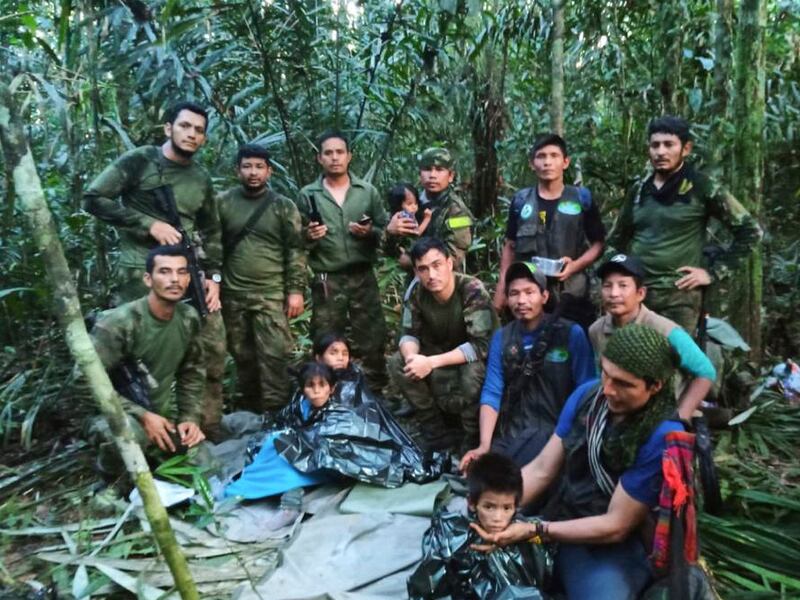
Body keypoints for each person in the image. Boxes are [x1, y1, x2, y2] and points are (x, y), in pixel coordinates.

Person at [472, 324, 686, 600]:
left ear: (655, 386)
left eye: (623, 383)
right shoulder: (587, 396)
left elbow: (616, 525)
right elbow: (541, 470)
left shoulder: (661, 436)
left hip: (611, 542)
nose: (607, 390)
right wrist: (493, 510)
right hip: (564, 514)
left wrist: (534, 531)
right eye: (606, 374)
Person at [83, 101, 227, 441]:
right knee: (136, 355)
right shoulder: (140, 161)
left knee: (210, 347)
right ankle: (135, 431)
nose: (191, 134)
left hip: (189, 273)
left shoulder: (200, 179)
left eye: (199, 131)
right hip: (140, 274)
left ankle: (201, 428)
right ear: (168, 128)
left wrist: (214, 278)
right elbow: (93, 198)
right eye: (185, 126)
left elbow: (213, 231)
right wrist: (149, 224)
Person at [607, 115, 762, 333]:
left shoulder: (702, 186)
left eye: (669, 145)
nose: (661, 152)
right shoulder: (639, 190)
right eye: (655, 145)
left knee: (675, 362)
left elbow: (751, 231)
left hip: (679, 298)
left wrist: (713, 273)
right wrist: (615, 282)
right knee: (630, 361)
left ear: (686, 148)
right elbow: (615, 241)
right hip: (638, 296)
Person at [461, 261, 596, 471]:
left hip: (557, 435)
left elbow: (586, 390)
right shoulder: (502, 338)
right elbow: (492, 392)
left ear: (544, 296)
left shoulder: (571, 333)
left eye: (529, 292)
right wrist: (484, 445)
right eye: (514, 293)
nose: (521, 300)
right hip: (514, 433)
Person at [89, 246, 207, 472]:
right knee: (130, 436)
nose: (175, 279)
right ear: (148, 279)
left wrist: (189, 418)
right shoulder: (119, 324)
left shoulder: (188, 318)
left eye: (182, 272)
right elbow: (85, 383)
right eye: (164, 272)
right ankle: (110, 478)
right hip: (114, 413)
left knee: (205, 466)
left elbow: (192, 371)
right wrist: (142, 416)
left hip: (159, 413)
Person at [296, 130, 389, 392]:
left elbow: (387, 232)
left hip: (362, 274)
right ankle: (326, 391)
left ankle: (374, 392)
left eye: (340, 152)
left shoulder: (366, 192)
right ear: (319, 158)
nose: (334, 158)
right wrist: (309, 235)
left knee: (372, 334)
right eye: (328, 153)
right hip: (327, 277)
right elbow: (296, 240)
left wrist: (369, 232)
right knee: (325, 335)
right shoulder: (308, 194)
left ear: (350, 156)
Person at [387, 237, 498, 453]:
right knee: (398, 362)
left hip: (470, 358)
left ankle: (472, 436)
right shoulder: (417, 292)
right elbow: (408, 334)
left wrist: (430, 362)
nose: (431, 275)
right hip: (436, 354)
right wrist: (412, 359)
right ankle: (435, 431)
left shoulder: (471, 289)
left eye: (436, 265)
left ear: (449, 263)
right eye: (423, 269)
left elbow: (481, 345)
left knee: (473, 371)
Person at [217, 144, 305, 413]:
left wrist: (295, 290)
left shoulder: (282, 206)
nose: (253, 172)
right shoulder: (222, 203)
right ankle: (252, 412)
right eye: (247, 166)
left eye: (259, 167)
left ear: (269, 171)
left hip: (271, 293)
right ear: (237, 170)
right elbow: (210, 245)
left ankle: (278, 413)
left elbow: (296, 249)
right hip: (233, 295)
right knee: (243, 357)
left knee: (276, 357)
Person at [494, 133, 605, 330]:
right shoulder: (521, 201)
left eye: (554, 156)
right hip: (529, 296)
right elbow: (510, 246)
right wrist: (502, 287)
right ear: (532, 163)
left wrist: (575, 265)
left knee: (571, 347)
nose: (547, 162)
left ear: (565, 162)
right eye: (541, 156)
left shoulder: (581, 199)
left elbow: (598, 244)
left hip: (571, 294)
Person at [407, 452, 550, 599]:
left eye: (507, 508)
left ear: (516, 506)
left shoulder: (525, 532)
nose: (498, 518)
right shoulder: (454, 539)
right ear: (472, 503)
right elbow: (429, 585)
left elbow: (543, 556)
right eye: (489, 507)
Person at [590, 254, 716, 420]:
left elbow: (705, 372)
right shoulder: (596, 330)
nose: (614, 293)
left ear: (640, 293)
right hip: (617, 411)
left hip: (659, 416)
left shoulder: (665, 330)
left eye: (623, 285)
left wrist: (680, 416)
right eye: (607, 286)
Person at [386, 147, 474, 271]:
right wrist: (390, 232)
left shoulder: (458, 212)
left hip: (443, 284)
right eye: (427, 169)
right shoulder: (409, 201)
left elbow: (453, 259)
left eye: (439, 170)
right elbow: (385, 251)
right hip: (413, 283)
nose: (432, 175)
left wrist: (412, 261)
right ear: (419, 174)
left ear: (450, 176)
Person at [385, 183, 432, 271]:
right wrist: (427, 219)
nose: (414, 207)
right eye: (409, 204)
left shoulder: (396, 216)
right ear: (399, 205)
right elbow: (417, 232)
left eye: (416, 203)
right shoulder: (405, 217)